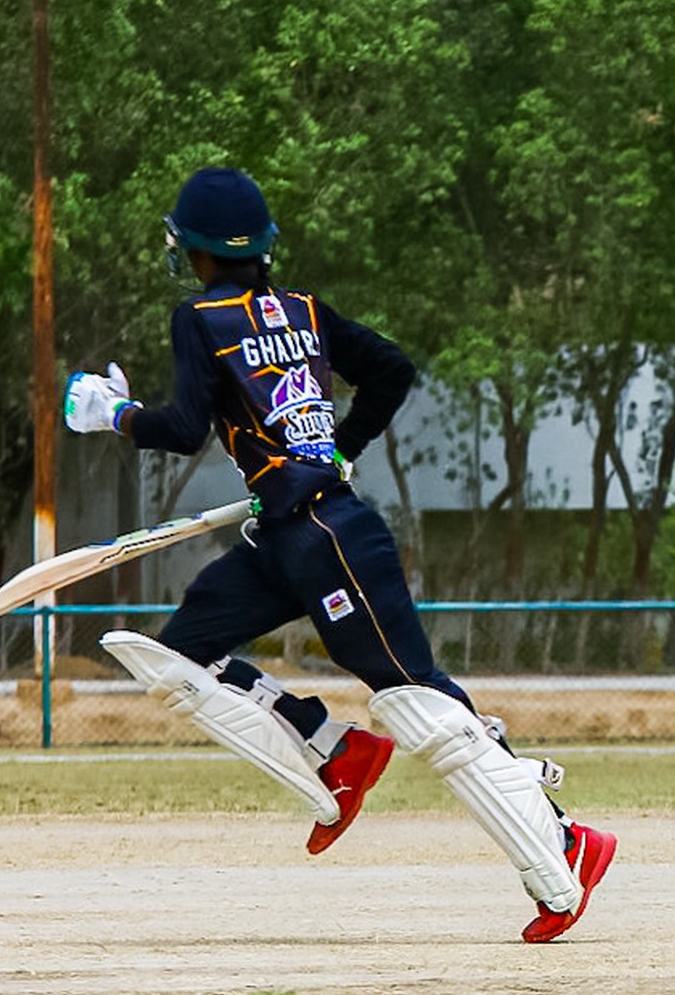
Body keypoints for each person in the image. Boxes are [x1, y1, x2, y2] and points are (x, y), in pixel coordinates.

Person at [63, 167, 614, 940]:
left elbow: (184, 429)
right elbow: (390, 371)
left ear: (192, 249)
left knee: (415, 699)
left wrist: (114, 414)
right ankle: (336, 751)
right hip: (288, 533)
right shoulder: (304, 310)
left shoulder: (199, 317)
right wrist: (340, 448)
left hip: (327, 534)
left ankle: (563, 840)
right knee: (183, 657)